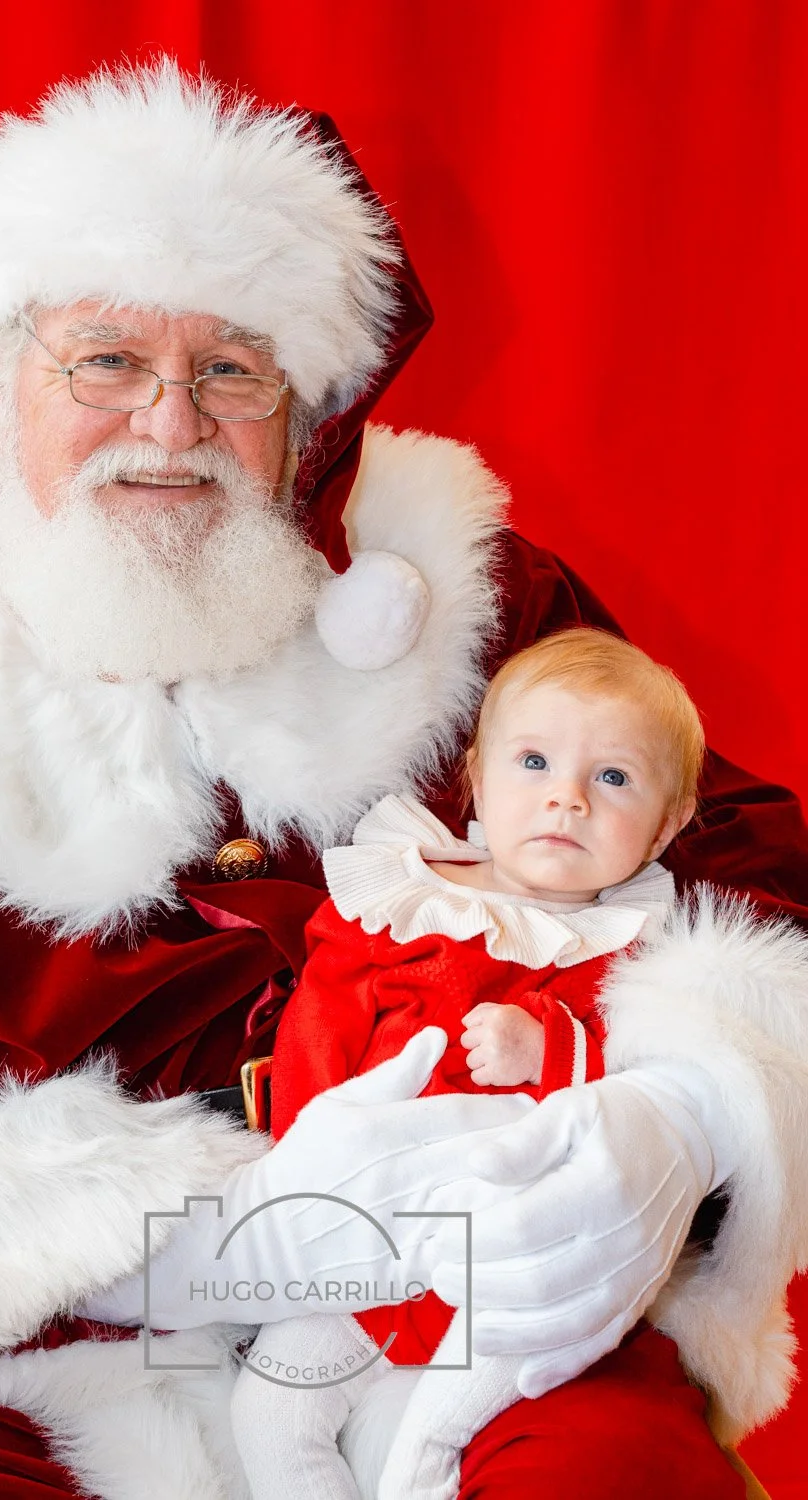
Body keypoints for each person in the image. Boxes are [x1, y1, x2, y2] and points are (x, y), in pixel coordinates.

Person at [0, 59, 806, 1499]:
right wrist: (186, 1250)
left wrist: (683, 1117)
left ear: (308, 409)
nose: (167, 423)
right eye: (106, 360)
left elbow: (746, 869)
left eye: (229, 368)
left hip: (476, 1301)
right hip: (57, 1357)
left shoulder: (478, 611)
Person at [232, 627, 713, 1500]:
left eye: (613, 778)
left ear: (666, 824)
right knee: (269, 1409)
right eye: (534, 762)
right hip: (366, 1238)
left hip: (515, 1262)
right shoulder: (404, 898)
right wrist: (307, 1162)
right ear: (476, 780)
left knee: (437, 1436)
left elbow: (666, 1080)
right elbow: (320, 1021)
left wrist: (556, 1048)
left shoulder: (632, 949)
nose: (566, 799)